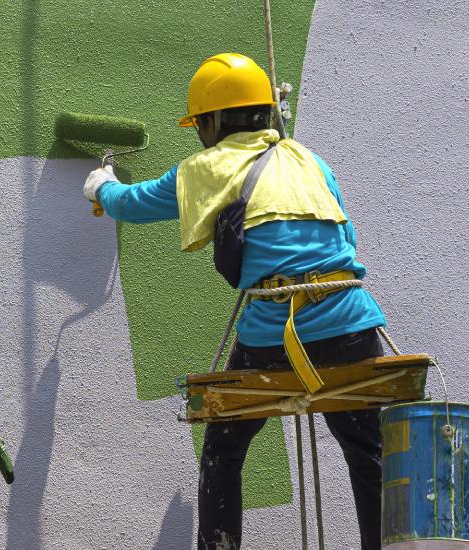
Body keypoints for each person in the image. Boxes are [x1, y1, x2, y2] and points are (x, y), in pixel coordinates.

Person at [81, 53, 387, 550]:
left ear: (213, 122)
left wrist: (102, 186)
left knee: (224, 452)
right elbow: (346, 238)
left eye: (200, 125)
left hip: (275, 333)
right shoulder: (309, 161)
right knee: (369, 453)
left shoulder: (205, 168)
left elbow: (134, 204)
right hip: (352, 322)